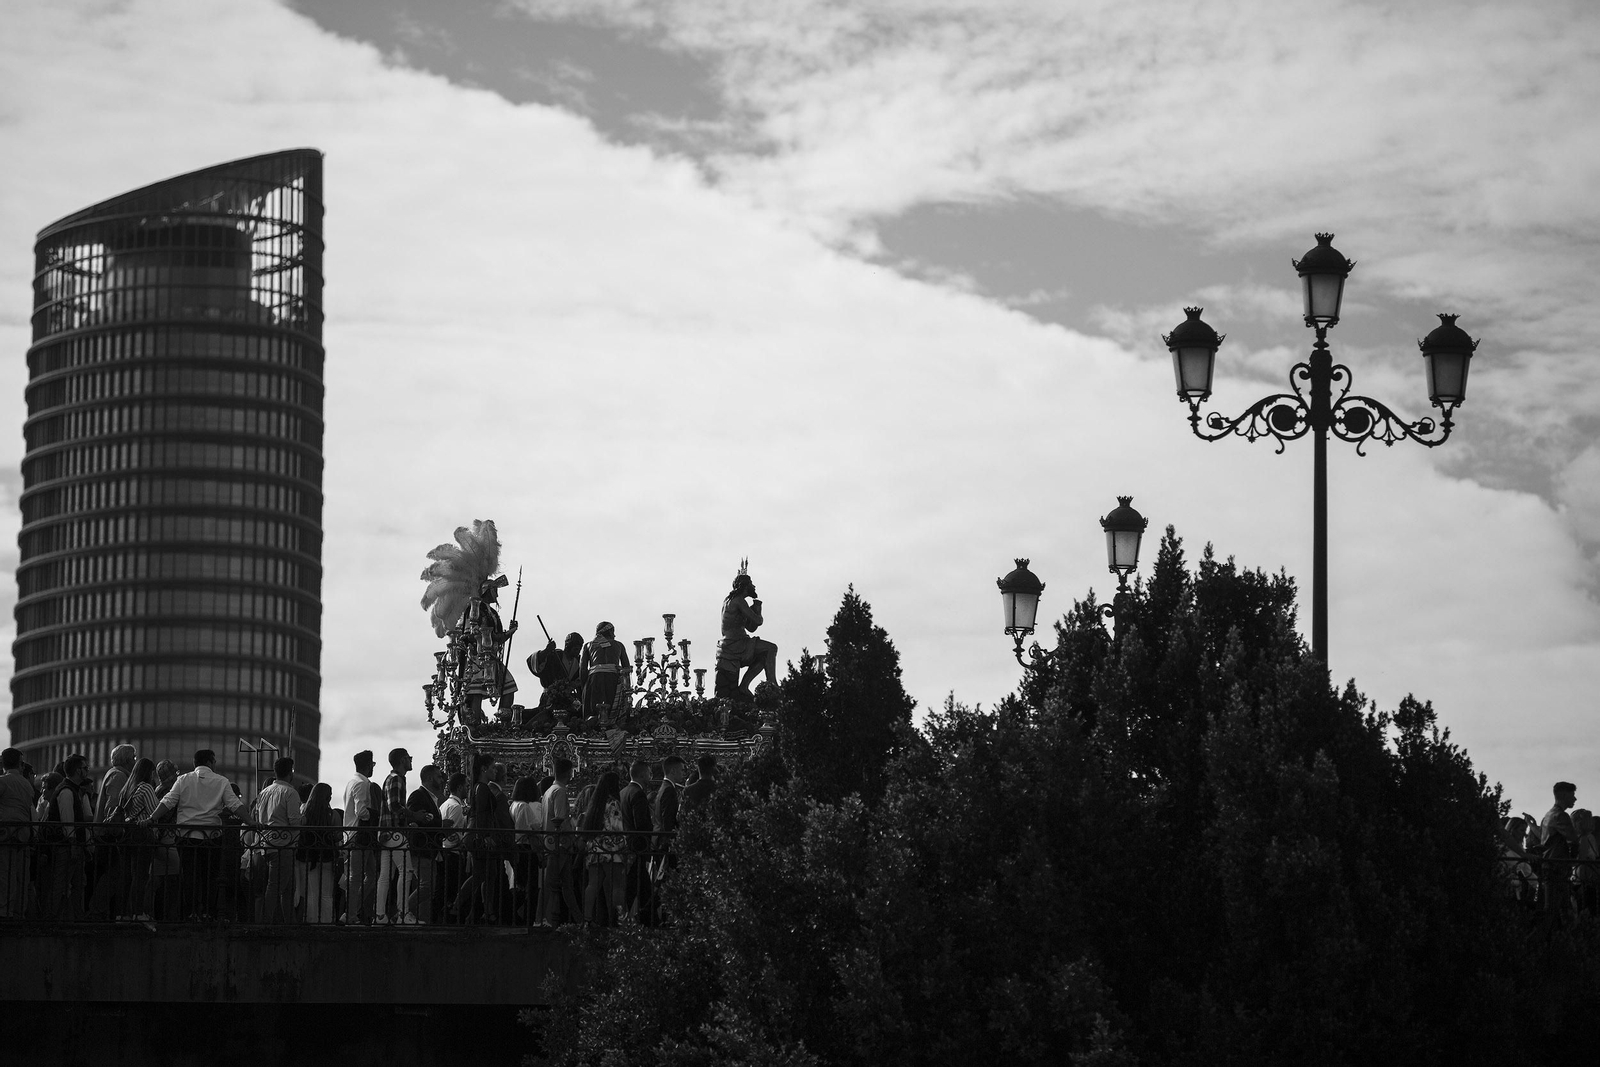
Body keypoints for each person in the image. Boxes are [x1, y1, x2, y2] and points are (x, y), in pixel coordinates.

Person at [147, 749, 254, 920]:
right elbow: (235, 805)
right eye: (215, 762)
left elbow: (168, 801)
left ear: (195, 763)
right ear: (210, 762)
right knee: (209, 877)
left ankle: (191, 913)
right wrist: (251, 822)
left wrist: (151, 818)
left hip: (186, 836)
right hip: (212, 837)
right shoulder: (221, 781)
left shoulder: (183, 780)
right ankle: (208, 913)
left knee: (189, 876)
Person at [254, 757, 302, 923]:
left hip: (267, 844)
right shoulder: (290, 793)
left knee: (287, 887)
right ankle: (266, 922)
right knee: (275, 885)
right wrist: (304, 819)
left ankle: (289, 922)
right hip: (283, 845)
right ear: (290, 773)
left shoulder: (264, 792)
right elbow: (294, 821)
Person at [46, 753, 94, 920]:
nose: (87, 771)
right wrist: (73, 843)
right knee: (62, 884)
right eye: (85, 768)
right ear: (77, 770)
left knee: (73, 884)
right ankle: (55, 918)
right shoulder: (67, 791)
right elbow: (68, 821)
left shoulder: (69, 789)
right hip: (67, 847)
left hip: (69, 846)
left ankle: (68, 918)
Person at [717, 567, 777, 696]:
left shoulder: (731, 600)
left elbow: (751, 628)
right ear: (745, 586)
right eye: (751, 584)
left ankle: (744, 686)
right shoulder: (739, 601)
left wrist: (755, 609)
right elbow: (758, 621)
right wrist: (758, 610)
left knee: (763, 656)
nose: (754, 586)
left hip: (737, 642)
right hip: (735, 643)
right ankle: (773, 685)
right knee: (771, 648)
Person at [377, 748, 418, 925]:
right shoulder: (397, 779)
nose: (410, 760)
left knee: (385, 875)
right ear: (402, 760)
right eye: (409, 758)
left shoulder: (390, 778)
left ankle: (380, 915)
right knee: (406, 871)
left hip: (386, 832)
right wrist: (414, 815)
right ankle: (403, 913)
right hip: (395, 833)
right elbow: (394, 805)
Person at [115, 758, 160, 921]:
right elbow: (155, 811)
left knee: (126, 876)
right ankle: (138, 912)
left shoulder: (127, 788)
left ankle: (122, 913)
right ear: (149, 772)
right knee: (140, 875)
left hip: (126, 835)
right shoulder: (146, 788)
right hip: (141, 835)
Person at [342, 750, 383, 925]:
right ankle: (350, 914)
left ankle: (351, 910)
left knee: (370, 875)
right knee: (358, 877)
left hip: (354, 834)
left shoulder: (352, 781)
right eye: (372, 764)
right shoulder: (362, 783)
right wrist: (376, 815)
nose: (373, 767)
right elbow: (362, 812)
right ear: (367, 765)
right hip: (360, 835)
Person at [581, 771, 627, 926]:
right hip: (611, 848)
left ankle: (587, 919)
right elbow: (617, 826)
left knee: (593, 884)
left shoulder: (596, 803)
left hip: (595, 847)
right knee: (617, 885)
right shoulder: (614, 803)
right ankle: (619, 920)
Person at [540, 758, 583, 925]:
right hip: (559, 844)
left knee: (567, 885)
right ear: (569, 772)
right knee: (549, 884)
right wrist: (572, 838)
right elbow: (561, 819)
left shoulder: (549, 791)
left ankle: (579, 920)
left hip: (552, 842)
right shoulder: (560, 791)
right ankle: (539, 919)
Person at [405, 764, 445, 924]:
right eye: (438, 777)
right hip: (421, 848)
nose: (441, 780)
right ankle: (403, 911)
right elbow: (413, 819)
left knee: (429, 888)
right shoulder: (418, 796)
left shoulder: (431, 798)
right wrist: (441, 825)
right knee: (426, 886)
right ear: (429, 778)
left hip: (430, 849)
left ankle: (421, 919)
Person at [296, 783, 341, 924]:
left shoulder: (304, 813)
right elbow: (339, 836)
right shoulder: (333, 815)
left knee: (311, 893)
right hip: (327, 857)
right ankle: (327, 922)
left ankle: (311, 921)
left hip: (308, 857)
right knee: (327, 894)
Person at [0, 748, 36, 919]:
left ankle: (4, 911)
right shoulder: (26, 784)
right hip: (22, 833)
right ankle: (17, 911)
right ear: (19, 764)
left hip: (5, 833)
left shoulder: (3, 782)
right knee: (18, 875)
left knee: (4, 873)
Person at [618, 760, 654, 923]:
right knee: (637, 885)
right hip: (638, 846)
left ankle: (644, 918)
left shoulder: (623, 792)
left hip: (628, 845)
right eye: (649, 773)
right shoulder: (638, 794)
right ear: (642, 774)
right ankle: (641, 919)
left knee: (637, 885)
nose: (650, 777)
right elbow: (641, 823)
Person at [1539, 781, 1579, 921]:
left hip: (1549, 865)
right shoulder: (1561, 815)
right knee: (1558, 909)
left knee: (1554, 908)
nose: (1575, 798)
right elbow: (1573, 840)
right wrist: (1572, 860)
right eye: (1572, 795)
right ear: (1564, 795)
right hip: (1558, 867)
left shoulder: (1548, 815)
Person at [580, 622, 631, 725]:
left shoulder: (588, 645)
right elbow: (627, 669)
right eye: (613, 632)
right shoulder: (619, 645)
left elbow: (582, 669)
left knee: (594, 710)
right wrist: (627, 689)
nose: (614, 635)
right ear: (610, 632)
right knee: (613, 709)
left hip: (594, 680)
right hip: (613, 679)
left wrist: (583, 689)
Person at [439, 772, 468, 923]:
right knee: (453, 889)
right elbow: (452, 834)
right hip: (453, 853)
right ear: (460, 787)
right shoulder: (456, 807)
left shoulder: (445, 804)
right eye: (466, 786)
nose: (468, 789)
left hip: (445, 851)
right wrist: (464, 842)